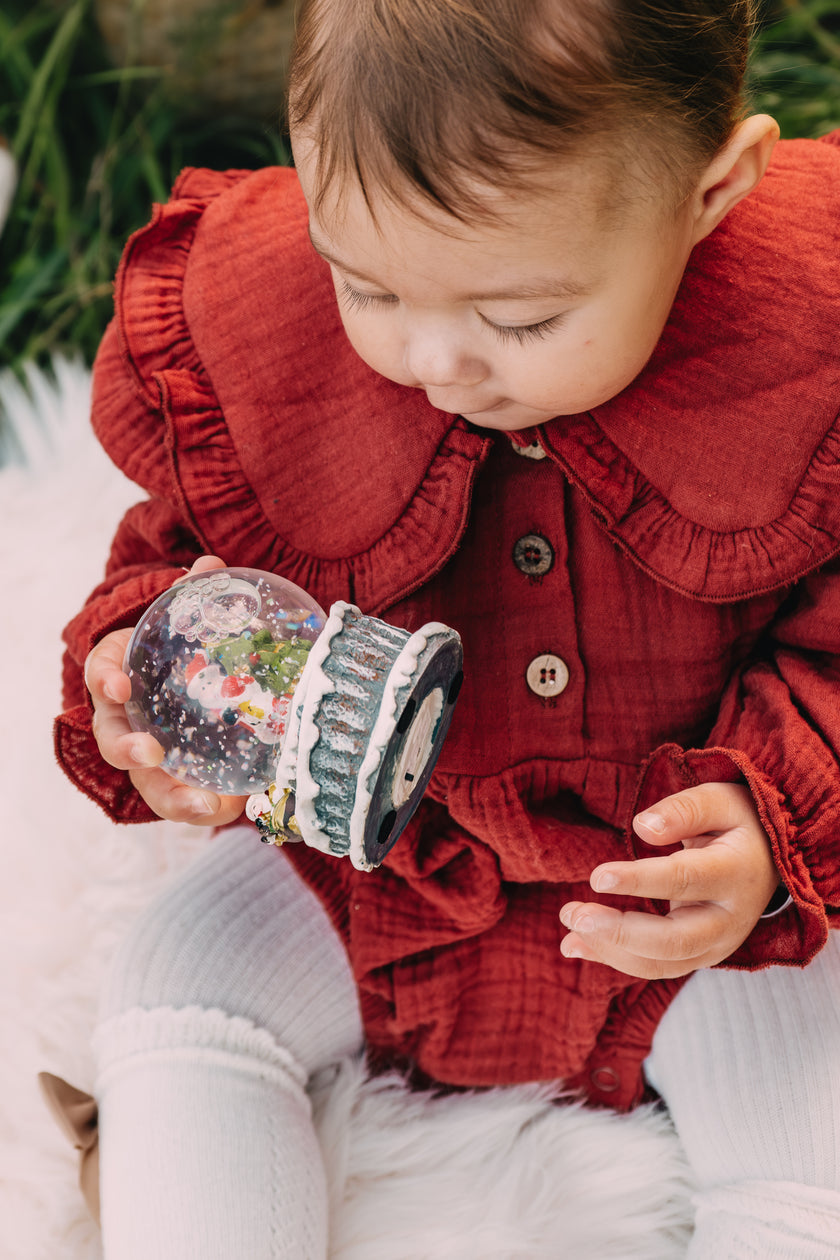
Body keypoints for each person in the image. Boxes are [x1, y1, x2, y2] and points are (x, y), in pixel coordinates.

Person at [52, 0, 840, 1255]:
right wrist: (146, 673)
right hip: (378, 871)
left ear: (711, 193)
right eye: (364, 283)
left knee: (813, 1132)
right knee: (178, 993)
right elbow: (174, 557)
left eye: (520, 318)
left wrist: (768, 820)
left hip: (678, 910)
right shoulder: (270, 345)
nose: (432, 358)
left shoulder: (810, 348)